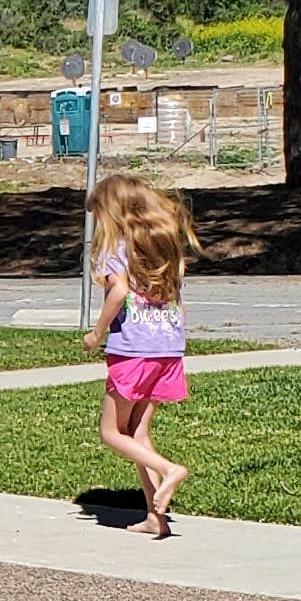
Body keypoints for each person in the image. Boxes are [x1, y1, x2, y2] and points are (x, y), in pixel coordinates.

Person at [83, 173, 199, 538]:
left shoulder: (115, 248)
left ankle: (169, 469)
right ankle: (156, 517)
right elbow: (177, 299)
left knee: (111, 432)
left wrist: (96, 332)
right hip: (166, 350)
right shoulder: (161, 246)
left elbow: (117, 292)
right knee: (139, 433)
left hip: (132, 351)